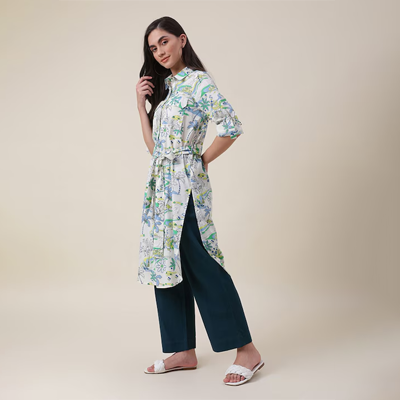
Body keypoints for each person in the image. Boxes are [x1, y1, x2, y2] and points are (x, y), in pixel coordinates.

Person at [136, 16, 264, 386]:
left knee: (201, 262)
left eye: (164, 42)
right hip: (161, 188)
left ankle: (247, 350)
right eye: (153, 48)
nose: (159, 52)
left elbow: (231, 126)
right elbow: (155, 149)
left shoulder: (198, 81)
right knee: (166, 262)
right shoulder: (167, 88)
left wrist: (202, 160)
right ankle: (182, 350)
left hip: (186, 187)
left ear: (182, 39)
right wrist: (141, 106)